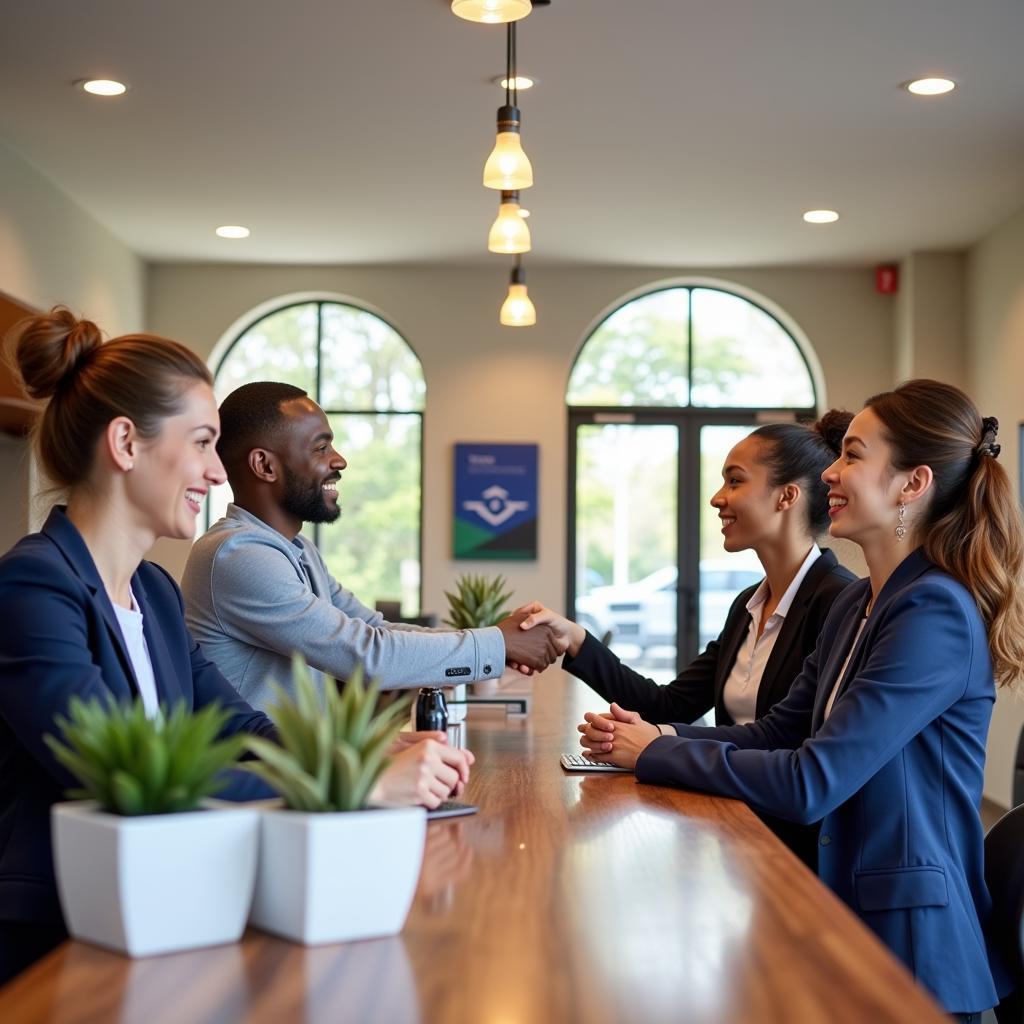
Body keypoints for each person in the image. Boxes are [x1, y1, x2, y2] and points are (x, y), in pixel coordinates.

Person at [0, 310, 472, 985]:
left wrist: (347, 756)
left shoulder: (156, 594)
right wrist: (360, 786)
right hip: (61, 941)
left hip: (173, 909)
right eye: (200, 444)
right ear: (126, 443)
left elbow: (235, 726)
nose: (215, 474)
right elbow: (122, 775)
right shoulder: (34, 585)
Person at [576, 380, 1023, 1019]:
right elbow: (778, 733)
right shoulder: (856, 601)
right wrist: (664, 739)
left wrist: (654, 754)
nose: (831, 474)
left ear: (912, 484)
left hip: (913, 957)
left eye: (853, 456)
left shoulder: (934, 612)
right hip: (842, 919)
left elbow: (814, 779)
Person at [518, 412, 857, 864]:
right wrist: (576, 639)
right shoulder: (747, 606)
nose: (718, 499)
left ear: (787, 496)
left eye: (735, 482)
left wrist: (655, 742)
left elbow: (791, 746)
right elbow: (669, 705)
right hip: (733, 824)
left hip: (793, 845)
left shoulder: (840, 602)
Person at [181, 381, 560, 711]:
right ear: (265, 465)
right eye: (320, 447)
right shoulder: (238, 554)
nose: (339, 459)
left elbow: (374, 628)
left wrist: (497, 641)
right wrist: (497, 644)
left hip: (300, 775)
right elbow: (368, 655)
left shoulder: (297, 550)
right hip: (253, 786)